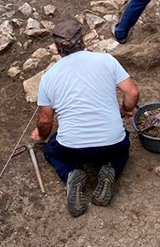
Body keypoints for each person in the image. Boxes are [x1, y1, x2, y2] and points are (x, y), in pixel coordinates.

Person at [31, 20, 140, 217]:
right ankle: (110, 170)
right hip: (111, 143)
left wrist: (40, 134)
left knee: (51, 150)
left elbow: (46, 121)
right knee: (123, 146)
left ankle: (71, 174)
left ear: (57, 48)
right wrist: (124, 110)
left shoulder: (48, 77)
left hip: (72, 149)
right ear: (83, 40)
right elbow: (132, 93)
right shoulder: (106, 60)